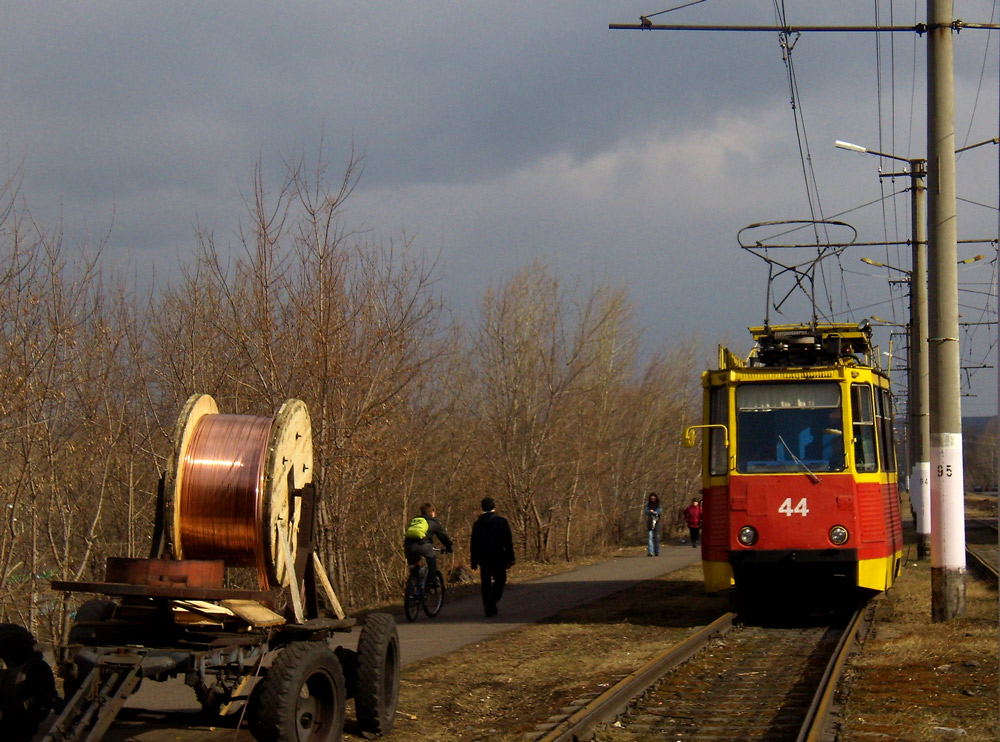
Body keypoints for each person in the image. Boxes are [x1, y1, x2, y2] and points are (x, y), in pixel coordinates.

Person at [470, 497, 514, 617]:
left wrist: (473, 560)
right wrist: (510, 558)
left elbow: (473, 543)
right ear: (494, 507)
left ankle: (488, 607)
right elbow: (508, 541)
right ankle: (493, 599)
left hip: (483, 557)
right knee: (500, 580)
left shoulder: (477, 524)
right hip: (498, 556)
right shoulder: (502, 522)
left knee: (486, 582)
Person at [403, 503, 453, 583]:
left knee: (414, 568)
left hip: (408, 546)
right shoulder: (433, 522)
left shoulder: (415, 520)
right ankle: (432, 580)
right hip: (423, 545)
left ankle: (413, 587)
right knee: (432, 557)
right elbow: (443, 537)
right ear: (432, 513)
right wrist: (449, 548)